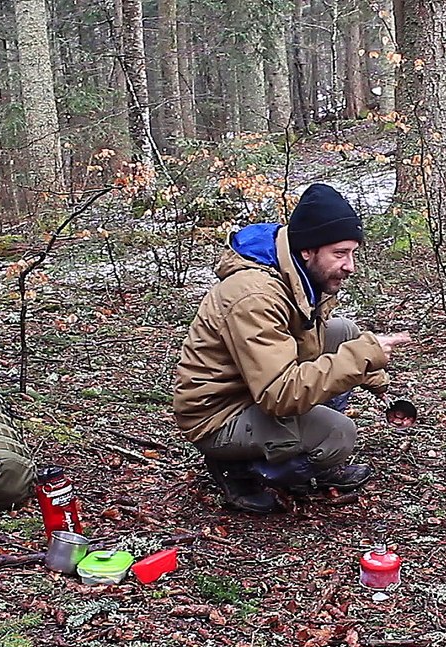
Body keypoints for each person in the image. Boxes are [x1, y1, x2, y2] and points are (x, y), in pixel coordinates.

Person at [173, 184, 411, 513]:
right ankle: (239, 471)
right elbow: (279, 394)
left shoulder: (298, 274)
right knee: (339, 435)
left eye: (352, 253)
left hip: (251, 387)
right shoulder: (254, 295)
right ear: (307, 251)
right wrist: (363, 356)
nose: (350, 266)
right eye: (340, 253)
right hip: (219, 414)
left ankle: (300, 441)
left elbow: (316, 341)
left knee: (344, 332)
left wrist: (379, 386)